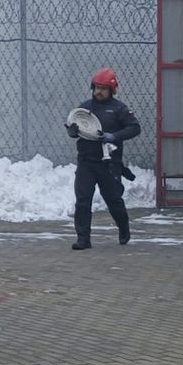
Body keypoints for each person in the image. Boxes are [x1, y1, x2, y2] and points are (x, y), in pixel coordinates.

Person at [65, 67, 141, 250]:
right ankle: (83, 239)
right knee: (83, 200)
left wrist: (113, 136)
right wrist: (72, 131)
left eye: (103, 88)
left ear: (111, 90)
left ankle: (124, 228)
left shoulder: (119, 109)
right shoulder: (84, 108)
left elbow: (135, 128)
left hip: (108, 163)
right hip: (86, 162)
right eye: (97, 87)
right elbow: (75, 126)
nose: (99, 91)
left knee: (113, 200)